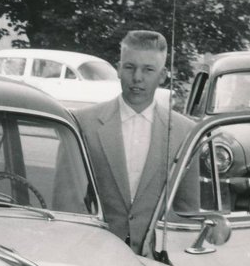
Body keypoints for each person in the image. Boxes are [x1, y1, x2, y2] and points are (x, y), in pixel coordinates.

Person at [76, 30, 198, 253]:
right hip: (95, 258)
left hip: (157, 262)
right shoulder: (83, 124)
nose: (137, 78)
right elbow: (67, 202)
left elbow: (188, 213)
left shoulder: (185, 132)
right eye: (130, 67)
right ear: (119, 68)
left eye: (148, 69)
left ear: (163, 76)